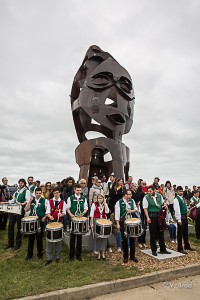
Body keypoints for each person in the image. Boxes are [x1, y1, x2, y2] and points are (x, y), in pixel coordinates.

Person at [143, 186, 171, 256]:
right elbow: (145, 208)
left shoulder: (159, 196)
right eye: (148, 191)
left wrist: (165, 205)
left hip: (159, 216)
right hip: (151, 216)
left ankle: (163, 249)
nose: (149, 192)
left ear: (154, 190)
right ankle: (154, 250)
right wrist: (147, 217)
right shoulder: (146, 197)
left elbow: (162, 204)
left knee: (161, 232)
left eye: (150, 191)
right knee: (152, 233)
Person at [4, 178, 30, 250]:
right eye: (20, 183)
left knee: (19, 227)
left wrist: (21, 203)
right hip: (14, 210)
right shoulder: (17, 191)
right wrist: (5, 203)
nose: (20, 184)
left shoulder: (26, 191)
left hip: (21, 211)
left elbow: (27, 201)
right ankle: (10, 242)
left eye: (22, 183)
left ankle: (18, 243)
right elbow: (13, 200)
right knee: (10, 226)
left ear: (24, 183)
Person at [115, 189, 139, 263]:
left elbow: (136, 209)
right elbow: (117, 214)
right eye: (129, 194)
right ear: (125, 195)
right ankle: (125, 256)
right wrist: (118, 223)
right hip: (123, 221)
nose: (130, 196)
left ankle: (132, 256)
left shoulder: (132, 201)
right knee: (124, 239)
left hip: (131, 221)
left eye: (131, 194)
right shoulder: (119, 202)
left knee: (132, 238)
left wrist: (131, 211)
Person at [45, 187, 67, 265]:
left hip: (59, 223)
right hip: (50, 223)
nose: (56, 194)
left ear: (60, 193)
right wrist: (49, 216)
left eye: (57, 192)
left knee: (58, 240)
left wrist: (61, 214)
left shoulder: (63, 202)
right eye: (54, 193)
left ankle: (58, 257)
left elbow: (64, 212)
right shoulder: (49, 201)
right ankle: (49, 258)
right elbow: (47, 212)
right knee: (49, 241)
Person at [67, 184, 88, 261]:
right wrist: (71, 215)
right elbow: (68, 208)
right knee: (72, 238)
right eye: (77, 190)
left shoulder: (84, 198)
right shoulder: (70, 198)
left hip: (80, 220)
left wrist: (82, 214)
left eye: (80, 190)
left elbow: (86, 208)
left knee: (79, 238)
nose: (79, 191)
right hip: (73, 219)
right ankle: (71, 256)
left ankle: (78, 255)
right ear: (74, 190)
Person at [24, 187, 46, 260]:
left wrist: (45, 217)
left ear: (41, 193)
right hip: (31, 220)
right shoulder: (32, 200)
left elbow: (47, 211)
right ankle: (29, 254)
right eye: (37, 193)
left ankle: (40, 254)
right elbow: (26, 209)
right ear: (35, 193)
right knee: (31, 238)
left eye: (40, 193)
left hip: (39, 220)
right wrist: (29, 201)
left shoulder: (44, 200)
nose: (38, 194)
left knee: (39, 238)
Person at [173, 186, 195, 254]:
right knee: (180, 233)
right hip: (181, 217)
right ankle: (180, 248)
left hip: (184, 216)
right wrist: (179, 219)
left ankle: (187, 246)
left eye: (182, 191)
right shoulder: (176, 199)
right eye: (179, 191)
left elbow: (184, 207)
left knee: (185, 232)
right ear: (177, 192)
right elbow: (177, 210)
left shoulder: (182, 198)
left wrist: (190, 208)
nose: (181, 192)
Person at [90, 193, 109, 260]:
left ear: (103, 199)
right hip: (96, 221)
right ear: (97, 199)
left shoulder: (105, 204)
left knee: (104, 237)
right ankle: (98, 253)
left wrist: (105, 204)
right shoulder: (94, 204)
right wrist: (91, 223)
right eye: (99, 198)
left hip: (103, 221)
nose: (100, 199)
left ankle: (103, 253)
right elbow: (91, 214)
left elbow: (107, 212)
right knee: (98, 237)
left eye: (101, 198)